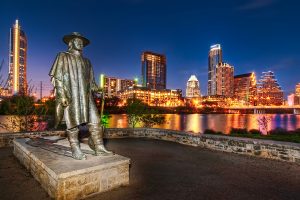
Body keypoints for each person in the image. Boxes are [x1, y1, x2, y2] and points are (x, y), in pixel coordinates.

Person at [49, 32, 112, 160]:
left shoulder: (87, 62)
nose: (80, 43)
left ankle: (99, 147)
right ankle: (75, 148)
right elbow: (58, 78)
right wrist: (62, 95)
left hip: (86, 98)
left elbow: (91, 83)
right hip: (71, 95)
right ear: (71, 43)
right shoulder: (62, 56)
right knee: (72, 122)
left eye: (82, 42)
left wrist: (99, 89)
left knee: (96, 121)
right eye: (77, 41)